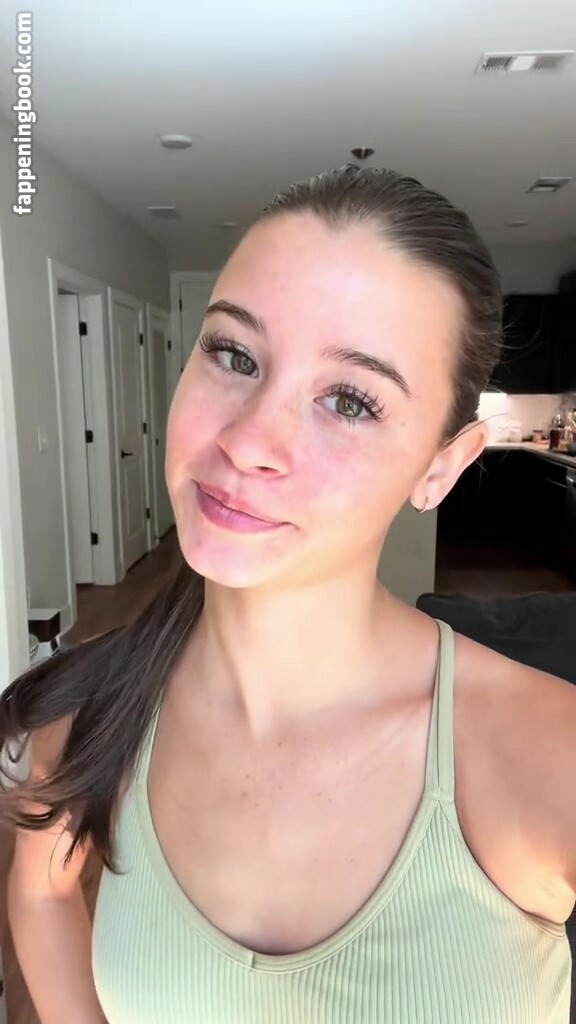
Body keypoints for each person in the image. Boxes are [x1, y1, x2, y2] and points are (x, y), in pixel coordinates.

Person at [1, 166, 574, 1024]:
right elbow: (42, 892)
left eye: (350, 400)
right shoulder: (97, 705)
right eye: (234, 355)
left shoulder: (547, 754)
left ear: (442, 467)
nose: (248, 441)